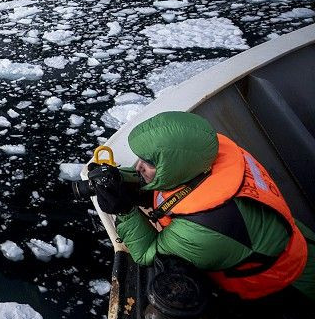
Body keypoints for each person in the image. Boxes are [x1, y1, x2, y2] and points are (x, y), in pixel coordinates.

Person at [94, 111, 315, 301]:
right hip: (292, 237)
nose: (139, 166)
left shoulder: (205, 228)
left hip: (282, 278)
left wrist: (125, 211)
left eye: (148, 162)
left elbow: (147, 255)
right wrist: (119, 179)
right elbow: (170, 179)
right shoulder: (208, 156)